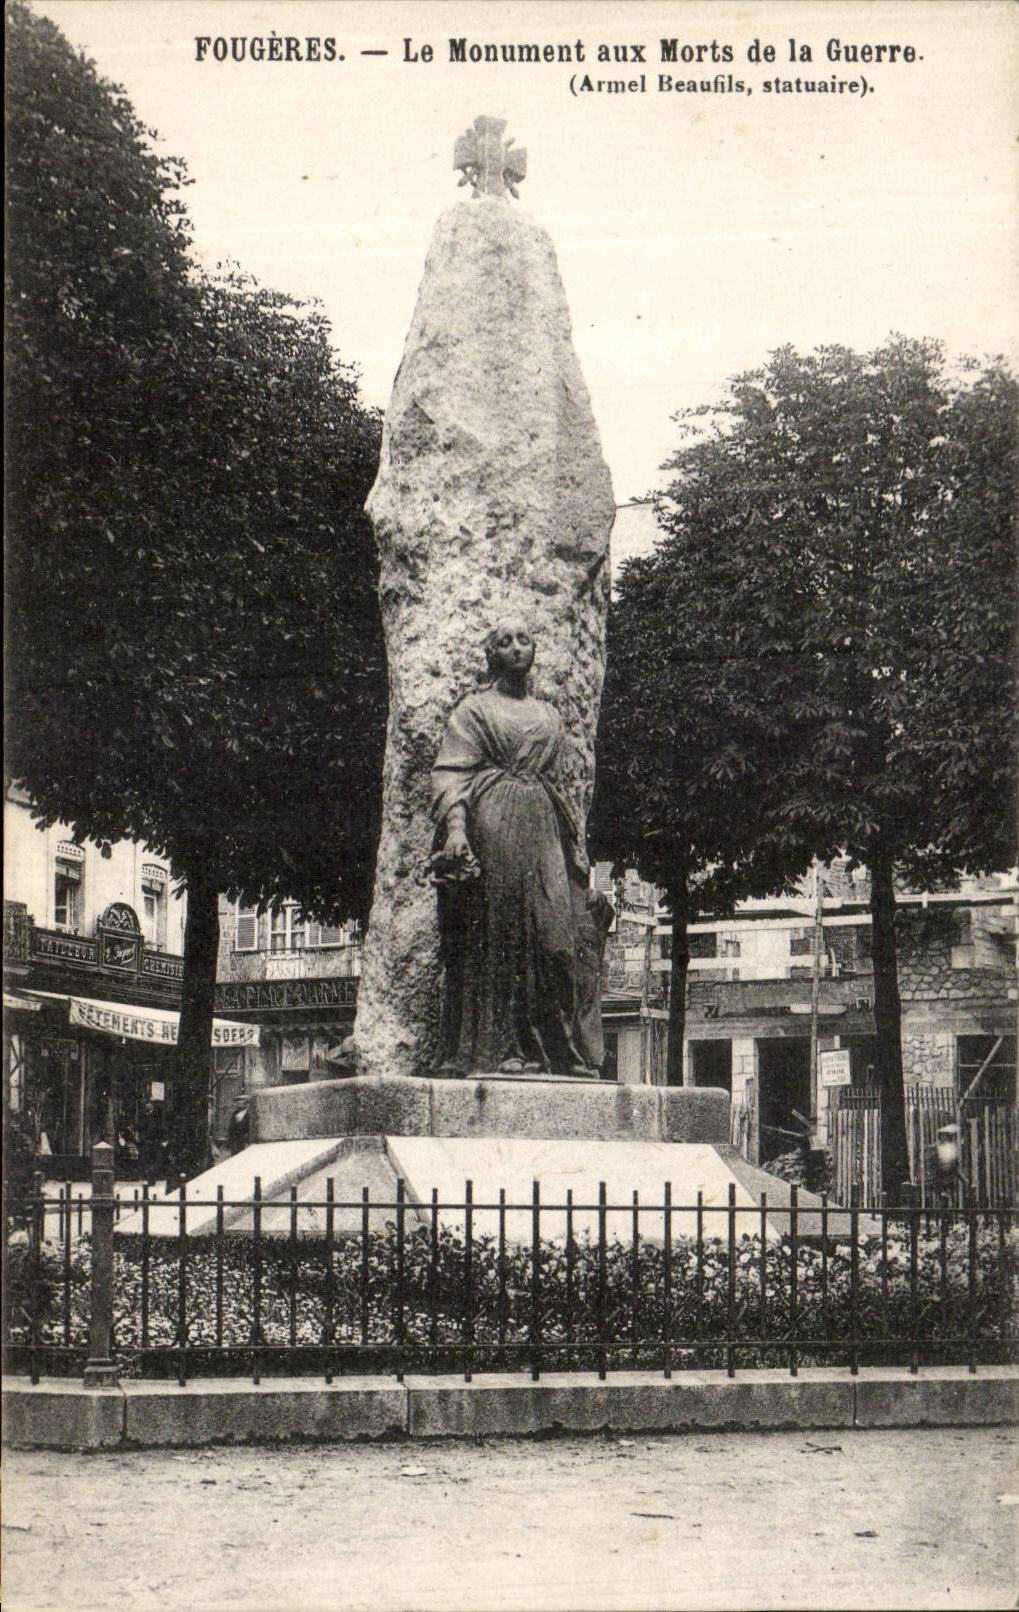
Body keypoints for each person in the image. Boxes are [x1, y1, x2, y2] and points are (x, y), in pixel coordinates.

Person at [430, 615, 599, 1077]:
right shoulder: (475, 711)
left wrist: (576, 850)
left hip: (541, 824)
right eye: (505, 642)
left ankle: (558, 1050)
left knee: (554, 939)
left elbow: (563, 784)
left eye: (525, 639)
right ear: (492, 655)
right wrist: (458, 830)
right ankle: (501, 1048)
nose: (517, 648)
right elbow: (451, 772)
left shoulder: (550, 716)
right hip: (494, 821)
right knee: (500, 936)